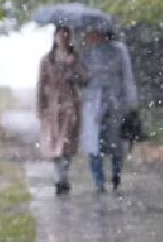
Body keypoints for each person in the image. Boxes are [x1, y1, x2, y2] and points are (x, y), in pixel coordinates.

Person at [79, 27, 138, 192]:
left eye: (90, 32)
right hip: (93, 103)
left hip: (115, 101)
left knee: (116, 141)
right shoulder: (85, 53)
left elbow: (127, 76)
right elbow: (80, 79)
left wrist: (131, 100)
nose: (86, 34)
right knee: (94, 144)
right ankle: (99, 181)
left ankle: (116, 176)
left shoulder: (119, 50)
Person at [37, 25, 89, 195]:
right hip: (53, 107)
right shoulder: (47, 60)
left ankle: (63, 176)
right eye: (60, 36)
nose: (63, 39)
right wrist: (40, 107)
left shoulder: (76, 58)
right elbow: (41, 84)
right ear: (55, 38)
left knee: (67, 143)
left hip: (70, 105)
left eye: (66, 36)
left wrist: (73, 73)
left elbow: (85, 79)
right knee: (54, 142)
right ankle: (59, 177)